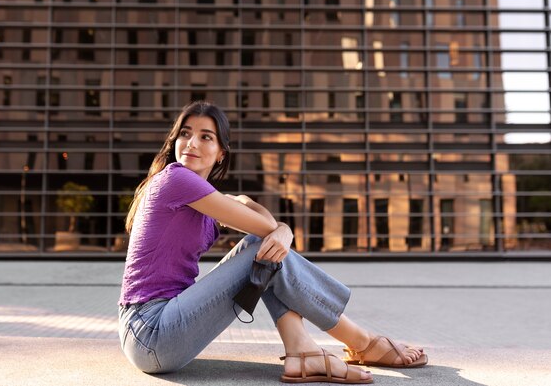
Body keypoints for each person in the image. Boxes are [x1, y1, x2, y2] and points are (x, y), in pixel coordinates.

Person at [118, 101, 428, 384]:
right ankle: (361, 342)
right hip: (151, 331)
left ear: (221, 152)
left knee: (267, 253)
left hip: (155, 334)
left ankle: (301, 351)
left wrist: (263, 218)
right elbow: (266, 227)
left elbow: (266, 231)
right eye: (185, 134)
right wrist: (282, 229)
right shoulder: (176, 179)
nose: (191, 143)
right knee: (262, 247)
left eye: (205, 136)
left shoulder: (203, 201)